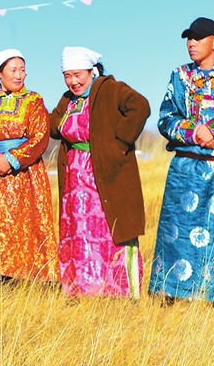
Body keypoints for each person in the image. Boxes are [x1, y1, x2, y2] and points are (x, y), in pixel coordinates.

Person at [149, 17, 214, 304]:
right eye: (189, 38)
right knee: (180, 230)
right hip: (188, 167)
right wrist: (196, 133)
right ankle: (176, 294)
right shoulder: (179, 76)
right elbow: (166, 118)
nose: (191, 44)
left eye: (198, 38)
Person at [49, 47, 150, 299]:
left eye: (78, 75)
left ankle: (117, 292)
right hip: (74, 182)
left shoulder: (109, 89)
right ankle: (82, 291)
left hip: (104, 175)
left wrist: (119, 145)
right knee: (80, 233)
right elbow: (53, 126)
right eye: (67, 76)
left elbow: (140, 106)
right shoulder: (68, 99)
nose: (73, 81)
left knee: (107, 230)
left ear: (91, 71)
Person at [0, 49, 59, 281]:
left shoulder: (34, 101)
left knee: (24, 224)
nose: (19, 75)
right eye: (13, 70)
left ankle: (28, 277)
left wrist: (11, 159)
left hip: (25, 174)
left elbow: (39, 137)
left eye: (22, 70)